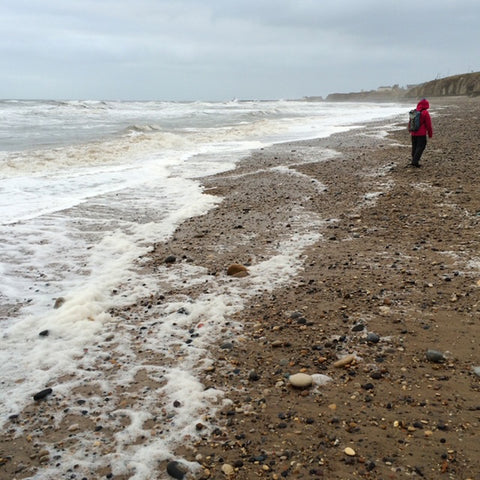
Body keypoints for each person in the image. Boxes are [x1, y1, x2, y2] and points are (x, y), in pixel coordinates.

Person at [410, 98, 433, 168]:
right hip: (421, 133)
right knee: (421, 147)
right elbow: (428, 124)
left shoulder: (414, 111)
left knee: (415, 147)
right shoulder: (425, 112)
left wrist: (410, 131)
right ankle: (415, 162)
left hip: (413, 133)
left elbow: (410, 122)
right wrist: (430, 133)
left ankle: (414, 160)